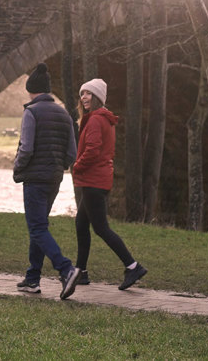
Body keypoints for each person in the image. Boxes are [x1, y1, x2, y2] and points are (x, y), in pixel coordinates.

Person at [13, 63, 81, 300]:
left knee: (37, 227)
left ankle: (66, 269)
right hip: (54, 178)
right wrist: (58, 167)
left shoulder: (31, 112)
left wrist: (18, 167)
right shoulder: (65, 114)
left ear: (32, 90)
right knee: (39, 226)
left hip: (34, 178)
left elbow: (26, 147)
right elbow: (72, 152)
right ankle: (32, 278)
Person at [71, 78, 147, 291]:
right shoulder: (101, 118)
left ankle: (133, 266)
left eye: (88, 94)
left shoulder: (96, 120)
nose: (84, 97)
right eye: (82, 93)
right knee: (81, 224)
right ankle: (81, 272)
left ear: (98, 98)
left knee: (101, 228)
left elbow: (93, 150)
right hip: (97, 180)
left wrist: (77, 166)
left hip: (94, 180)